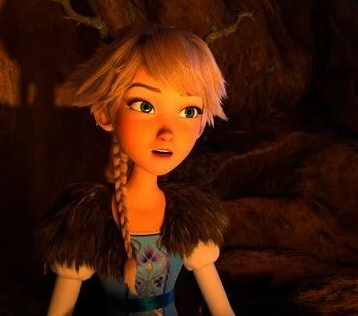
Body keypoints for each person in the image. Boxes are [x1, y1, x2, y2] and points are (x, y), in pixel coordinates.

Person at [38, 24, 235, 316]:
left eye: (189, 111)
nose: (167, 133)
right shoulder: (87, 219)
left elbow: (221, 308)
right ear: (105, 112)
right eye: (145, 106)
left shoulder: (190, 216)